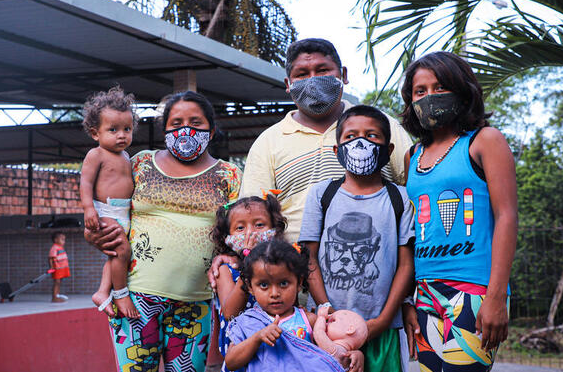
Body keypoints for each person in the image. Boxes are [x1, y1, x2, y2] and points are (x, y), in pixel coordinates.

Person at [86, 90, 242, 372]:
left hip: (196, 303)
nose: (186, 129)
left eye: (196, 122)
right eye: (176, 123)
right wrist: (93, 231)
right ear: (165, 130)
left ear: (212, 129)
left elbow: (241, 232)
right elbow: (108, 203)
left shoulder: (229, 176)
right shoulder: (140, 163)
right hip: (135, 299)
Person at [400, 52, 518, 372]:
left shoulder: (484, 141)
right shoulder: (413, 155)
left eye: (439, 87)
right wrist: (408, 299)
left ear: (462, 90)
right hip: (425, 292)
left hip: (473, 289)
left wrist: (495, 297)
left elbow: (507, 216)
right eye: (419, 91)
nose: (429, 97)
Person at [239, 38, 413, 244]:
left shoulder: (382, 125)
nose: (313, 81)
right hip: (295, 267)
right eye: (302, 74)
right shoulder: (268, 142)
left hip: (374, 258)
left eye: (322, 71)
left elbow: (414, 187)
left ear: (344, 75)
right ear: (288, 84)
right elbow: (252, 215)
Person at [300, 105, 415, 372]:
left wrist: (384, 320)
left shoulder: (400, 198)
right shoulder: (322, 194)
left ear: (388, 151)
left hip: (381, 331)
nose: (360, 142)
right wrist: (326, 312)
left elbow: (406, 265)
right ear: (336, 150)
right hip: (325, 330)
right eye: (350, 137)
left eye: (372, 135)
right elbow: (310, 258)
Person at [223, 240, 363, 372]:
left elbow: (335, 351)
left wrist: (354, 355)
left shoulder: (310, 320)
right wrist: (257, 337)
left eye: (283, 283)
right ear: (250, 287)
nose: (275, 293)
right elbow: (231, 362)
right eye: (264, 285)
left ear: (299, 282)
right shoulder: (248, 323)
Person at [210, 194, 288, 369]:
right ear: (227, 236)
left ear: (274, 229)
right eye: (240, 228)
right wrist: (248, 265)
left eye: (259, 225)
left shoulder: (281, 267)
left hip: (274, 351)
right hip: (239, 352)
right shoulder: (226, 270)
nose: (250, 233)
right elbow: (230, 312)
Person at [79, 86, 137, 318]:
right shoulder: (97, 154)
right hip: (106, 211)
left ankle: (103, 291)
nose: (121, 135)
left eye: (127, 129)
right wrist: (88, 209)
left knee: (118, 254)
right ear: (96, 133)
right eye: (113, 130)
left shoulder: (126, 157)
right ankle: (120, 292)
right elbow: (85, 183)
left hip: (123, 213)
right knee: (121, 250)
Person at [49, 232, 70, 303]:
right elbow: (51, 258)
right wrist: (52, 267)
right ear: (56, 240)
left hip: (62, 268)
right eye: (62, 239)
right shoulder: (54, 248)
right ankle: (54, 297)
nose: (64, 241)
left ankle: (57, 295)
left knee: (59, 282)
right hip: (57, 268)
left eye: (64, 239)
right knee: (57, 282)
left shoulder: (60, 247)